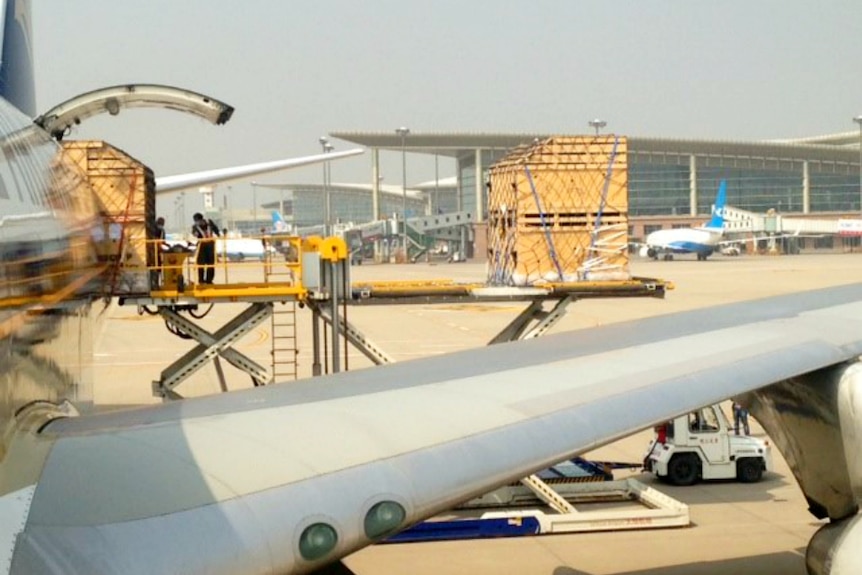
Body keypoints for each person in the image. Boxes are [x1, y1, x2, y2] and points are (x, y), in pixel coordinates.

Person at [191, 213, 220, 284]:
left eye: (197, 220)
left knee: (210, 264)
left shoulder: (209, 222)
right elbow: (194, 234)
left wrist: (218, 234)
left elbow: (216, 229)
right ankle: (201, 280)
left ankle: (209, 280)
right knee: (201, 263)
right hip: (202, 245)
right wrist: (195, 234)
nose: (196, 222)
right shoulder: (195, 227)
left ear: (200, 219)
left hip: (210, 245)